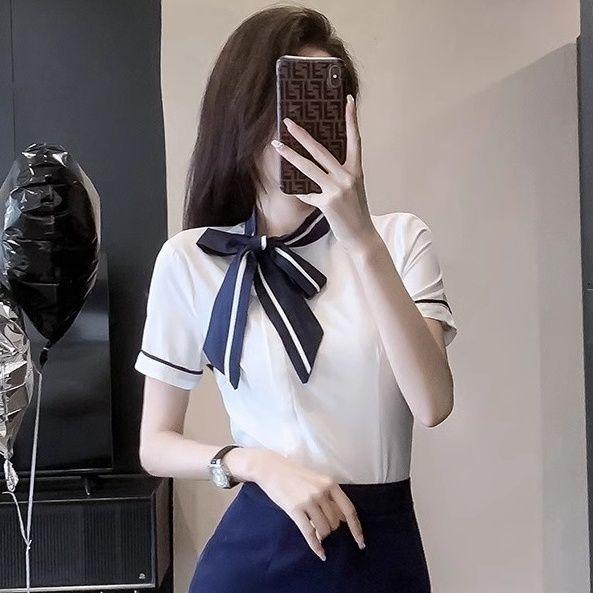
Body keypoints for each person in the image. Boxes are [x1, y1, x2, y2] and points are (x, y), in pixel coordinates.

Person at [134, 6, 458, 593]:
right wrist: (253, 463)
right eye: (290, 103)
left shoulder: (399, 240)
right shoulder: (192, 260)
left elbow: (432, 402)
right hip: (256, 550)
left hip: (379, 552)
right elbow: (155, 443)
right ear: (244, 114)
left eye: (322, 105)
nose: (305, 129)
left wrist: (359, 237)